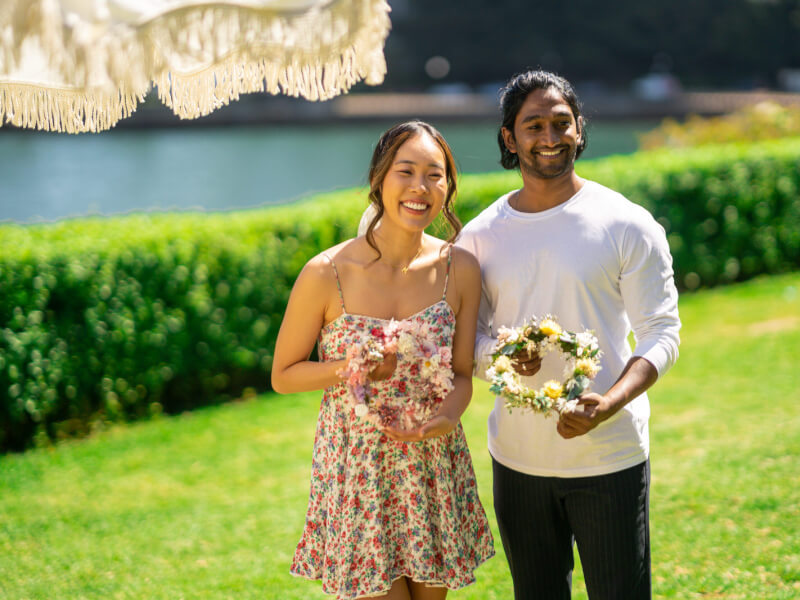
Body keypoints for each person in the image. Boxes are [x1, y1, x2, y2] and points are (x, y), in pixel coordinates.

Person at [456, 70, 681, 599]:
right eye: (533, 125)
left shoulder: (627, 224)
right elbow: (466, 338)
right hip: (516, 461)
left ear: (579, 128)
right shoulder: (480, 236)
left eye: (561, 123)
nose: (550, 137)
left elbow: (662, 331)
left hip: (610, 457)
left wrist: (611, 402)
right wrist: (513, 362)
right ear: (510, 138)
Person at [271, 120, 495, 600]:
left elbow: (460, 375)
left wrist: (447, 416)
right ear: (378, 179)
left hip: (432, 464)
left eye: (435, 175)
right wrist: (349, 366)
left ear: (448, 188)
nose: (420, 188)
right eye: (406, 171)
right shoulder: (325, 272)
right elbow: (284, 376)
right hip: (358, 471)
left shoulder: (461, 269)